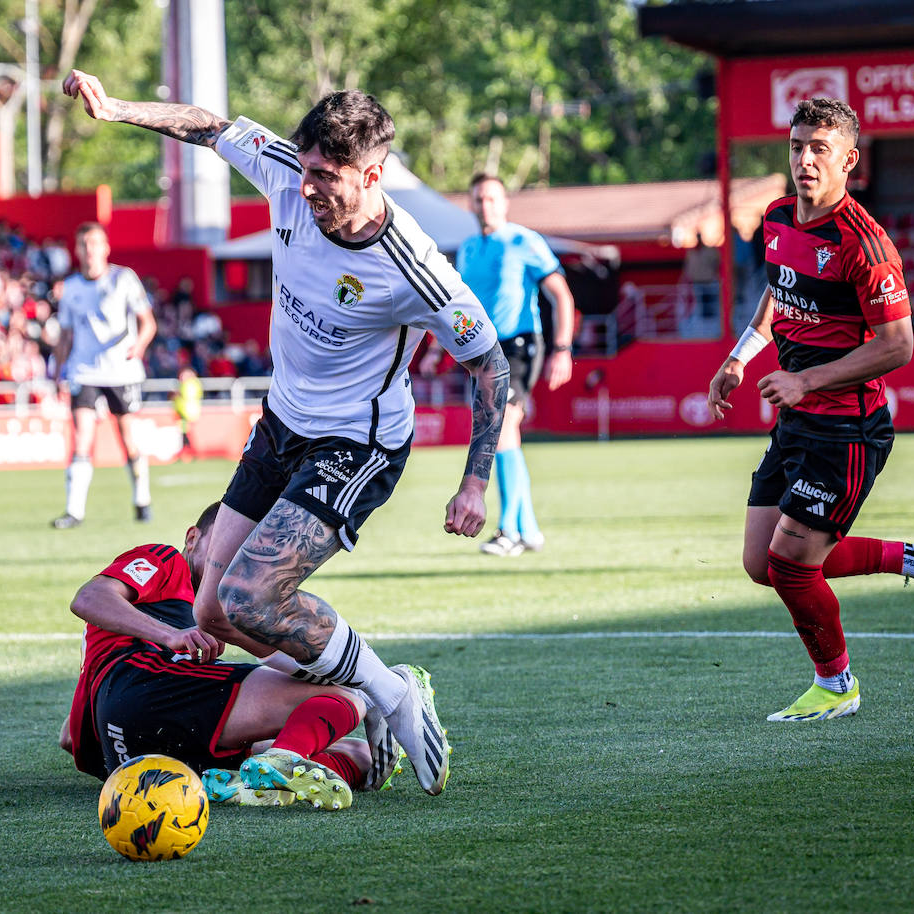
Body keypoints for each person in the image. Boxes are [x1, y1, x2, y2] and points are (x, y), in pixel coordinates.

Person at [63, 70, 512, 796]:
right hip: (281, 425)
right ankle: (375, 689)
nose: (306, 190)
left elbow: (490, 367)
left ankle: (391, 698)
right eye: (304, 171)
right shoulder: (283, 175)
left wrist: (475, 479)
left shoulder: (417, 270)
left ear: (373, 175)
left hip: (358, 445)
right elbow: (207, 125)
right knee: (211, 608)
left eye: (327, 177)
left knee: (250, 598)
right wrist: (116, 110)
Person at [705, 98, 914, 723]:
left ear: (849, 159)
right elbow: (779, 288)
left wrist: (807, 380)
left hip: (847, 429)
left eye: (819, 149)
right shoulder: (774, 218)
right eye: (796, 147)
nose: (804, 160)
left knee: (791, 566)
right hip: (797, 422)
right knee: (760, 563)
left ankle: (837, 683)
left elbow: (898, 344)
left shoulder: (866, 243)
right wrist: (741, 356)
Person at [59, 502, 402, 810]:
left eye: (245, 553)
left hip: (130, 760)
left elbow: (69, 738)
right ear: (191, 539)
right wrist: (170, 635)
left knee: (361, 756)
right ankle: (282, 761)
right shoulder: (166, 561)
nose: (233, 560)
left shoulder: (228, 608)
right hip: (145, 690)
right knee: (345, 697)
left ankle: (255, 784)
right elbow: (89, 598)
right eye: (223, 543)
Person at [426, 174, 575, 556]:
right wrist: (437, 348)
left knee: (502, 427)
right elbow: (458, 308)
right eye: (478, 199)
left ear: (505, 202)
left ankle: (508, 530)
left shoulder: (524, 240)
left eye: (492, 198)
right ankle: (528, 529)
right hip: (483, 351)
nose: (485, 205)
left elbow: (561, 294)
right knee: (506, 434)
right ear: (471, 204)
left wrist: (562, 348)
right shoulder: (470, 248)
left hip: (520, 345)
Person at [49, 222, 158, 529]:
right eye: (84, 244)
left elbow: (148, 322)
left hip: (121, 370)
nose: (89, 250)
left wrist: (139, 346)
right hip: (84, 371)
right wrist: (58, 374)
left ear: (105, 248)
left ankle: (142, 499)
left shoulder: (123, 279)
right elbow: (66, 335)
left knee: (127, 438)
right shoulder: (70, 287)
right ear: (77, 249)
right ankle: (74, 511)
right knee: (82, 437)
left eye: (95, 244)